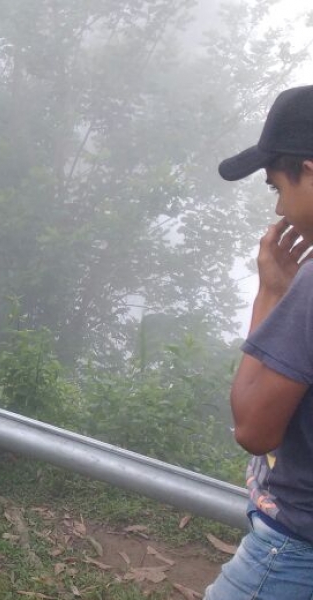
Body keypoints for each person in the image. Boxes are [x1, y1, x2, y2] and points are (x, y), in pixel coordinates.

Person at [205, 84, 313, 599]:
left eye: (276, 187)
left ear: (309, 171)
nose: (279, 210)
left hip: (296, 551)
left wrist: (271, 293)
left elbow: (253, 428)